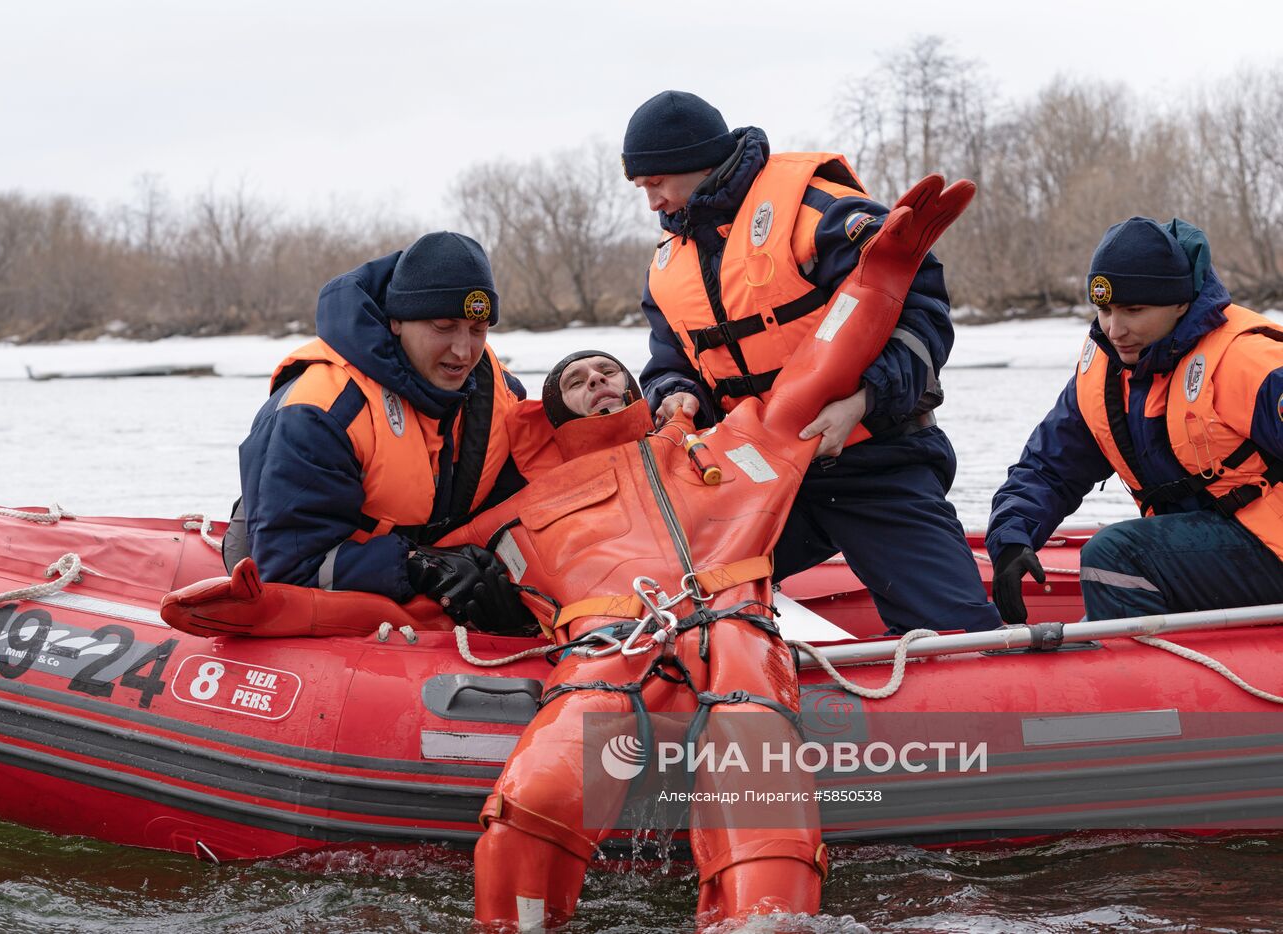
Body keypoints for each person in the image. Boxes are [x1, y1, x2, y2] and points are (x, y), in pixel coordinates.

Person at [439, 175, 976, 930]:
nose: (597, 382)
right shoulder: (521, 505)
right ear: (553, 413)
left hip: (736, 635)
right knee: (532, 809)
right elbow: (401, 581)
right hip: (608, 649)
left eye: (608, 373)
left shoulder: (714, 449)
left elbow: (816, 369)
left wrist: (882, 275)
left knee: (768, 835)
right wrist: (279, 603)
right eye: (577, 380)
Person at [621, 90, 1001, 634]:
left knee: (958, 636)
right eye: (641, 188)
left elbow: (923, 314)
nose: (652, 202)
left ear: (694, 163)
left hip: (876, 463)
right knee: (663, 597)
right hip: (757, 474)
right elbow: (667, 361)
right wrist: (674, 391)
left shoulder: (820, 212)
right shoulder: (667, 265)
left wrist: (863, 400)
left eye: (656, 184)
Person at [987, 216, 1283, 622]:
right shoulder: (1105, 375)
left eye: (1134, 310)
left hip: (1272, 546)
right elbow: (1049, 467)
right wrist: (1011, 538)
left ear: (1181, 303)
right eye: (1104, 310)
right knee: (1117, 561)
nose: (1115, 329)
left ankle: (1143, 674)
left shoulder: (1244, 360)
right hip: (1215, 546)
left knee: (1115, 555)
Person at [231, 231, 531, 630]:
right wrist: (420, 567)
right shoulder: (319, 411)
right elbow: (289, 567)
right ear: (397, 321)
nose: (463, 351)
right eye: (444, 326)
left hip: (429, 548)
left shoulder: (502, 396)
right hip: (294, 549)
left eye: (478, 330)